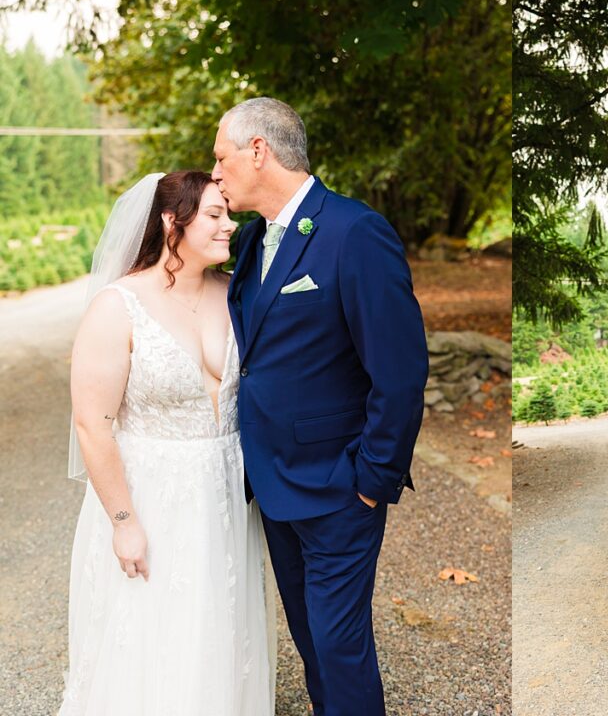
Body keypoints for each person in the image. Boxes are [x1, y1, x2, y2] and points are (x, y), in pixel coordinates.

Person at [214, 97, 428, 715]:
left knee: (339, 642)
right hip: (274, 484)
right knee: (310, 638)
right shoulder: (253, 243)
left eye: (221, 156)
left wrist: (371, 479)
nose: (217, 171)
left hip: (339, 485)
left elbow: (400, 370)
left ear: (259, 150)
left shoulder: (354, 232)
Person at [61, 171, 272, 715]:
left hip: (224, 492)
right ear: (170, 222)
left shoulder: (236, 295)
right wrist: (124, 522)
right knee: (150, 628)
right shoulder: (119, 305)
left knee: (218, 620)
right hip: (150, 493)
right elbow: (92, 423)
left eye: (229, 212)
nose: (231, 225)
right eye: (214, 215)